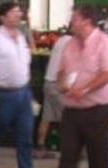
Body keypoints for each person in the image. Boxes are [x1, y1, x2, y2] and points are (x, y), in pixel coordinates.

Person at [38, 5, 108, 168]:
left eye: (74, 19)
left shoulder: (105, 43)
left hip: (97, 108)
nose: (71, 22)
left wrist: (84, 89)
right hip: (72, 109)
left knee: (97, 153)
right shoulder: (69, 45)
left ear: (86, 21)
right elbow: (62, 71)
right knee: (68, 153)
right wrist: (62, 82)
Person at [0, 2, 44, 168]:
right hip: (3, 95)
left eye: (19, 12)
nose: (18, 15)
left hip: (24, 94)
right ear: (3, 17)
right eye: (13, 12)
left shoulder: (22, 36)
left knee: (25, 138)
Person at [35, 31, 72, 159]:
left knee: (47, 116)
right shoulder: (71, 42)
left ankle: (40, 147)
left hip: (48, 83)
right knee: (69, 117)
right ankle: (69, 150)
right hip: (57, 85)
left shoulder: (61, 40)